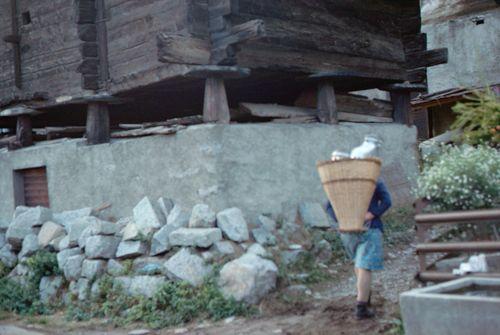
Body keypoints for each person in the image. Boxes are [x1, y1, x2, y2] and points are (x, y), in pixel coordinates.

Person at [326, 180, 392, 319]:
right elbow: (387, 201)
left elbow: (329, 205)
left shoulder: (341, 181)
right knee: (364, 266)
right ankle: (361, 308)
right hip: (369, 228)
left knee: (359, 264)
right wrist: (372, 213)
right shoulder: (374, 180)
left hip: (347, 231)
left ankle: (365, 298)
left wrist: (342, 219)